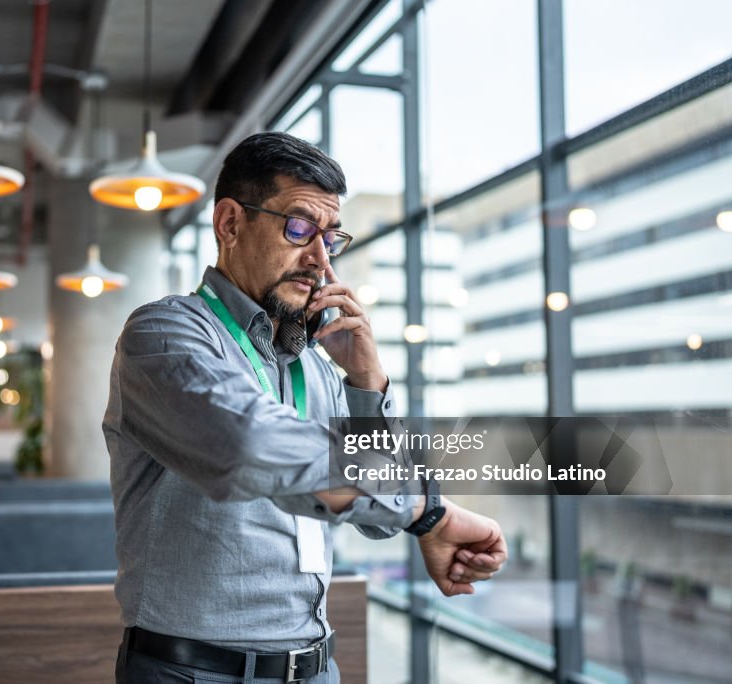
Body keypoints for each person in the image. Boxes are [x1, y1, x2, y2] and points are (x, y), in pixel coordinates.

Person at [103, 132, 507, 683]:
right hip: (194, 673)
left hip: (315, 669)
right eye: (299, 228)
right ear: (229, 224)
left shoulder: (318, 364)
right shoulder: (167, 335)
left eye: (330, 237)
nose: (318, 257)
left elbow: (380, 521)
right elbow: (249, 448)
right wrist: (426, 511)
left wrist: (367, 381)